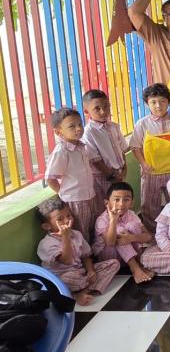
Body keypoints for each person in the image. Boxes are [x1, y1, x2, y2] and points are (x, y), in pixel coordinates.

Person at [36, 197, 119, 306]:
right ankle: (74, 296)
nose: (67, 221)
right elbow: (67, 261)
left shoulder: (76, 234)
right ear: (47, 226)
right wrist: (65, 237)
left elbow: (86, 256)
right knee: (66, 279)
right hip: (63, 277)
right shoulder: (47, 243)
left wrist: (91, 271)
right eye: (60, 219)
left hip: (80, 273)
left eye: (69, 215)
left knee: (113, 264)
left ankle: (84, 291)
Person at [130, 83, 170, 233]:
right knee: (149, 203)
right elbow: (135, 147)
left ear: (168, 102)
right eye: (153, 102)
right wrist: (143, 163)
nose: (158, 106)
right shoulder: (142, 124)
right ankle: (153, 232)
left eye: (162, 101)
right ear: (147, 103)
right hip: (151, 171)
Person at [45, 107, 97, 243]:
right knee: (81, 233)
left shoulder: (80, 146)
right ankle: (86, 255)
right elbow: (50, 178)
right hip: (75, 200)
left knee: (92, 228)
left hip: (89, 196)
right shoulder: (61, 152)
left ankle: (94, 253)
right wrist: (64, 194)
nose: (78, 128)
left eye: (80, 124)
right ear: (58, 132)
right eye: (72, 126)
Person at [92, 182, 154, 284]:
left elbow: (148, 237)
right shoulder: (102, 220)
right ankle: (135, 269)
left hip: (126, 256)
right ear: (107, 203)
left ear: (132, 203)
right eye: (116, 199)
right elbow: (110, 243)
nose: (121, 204)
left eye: (126, 200)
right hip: (110, 257)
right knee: (119, 231)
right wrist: (113, 220)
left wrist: (131, 238)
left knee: (132, 225)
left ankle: (139, 263)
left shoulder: (131, 214)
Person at [81, 89, 128, 208]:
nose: (103, 111)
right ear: (86, 111)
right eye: (97, 109)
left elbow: (121, 149)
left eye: (106, 106)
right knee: (108, 206)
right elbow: (95, 159)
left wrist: (124, 167)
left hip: (119, 173)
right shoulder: (89, 132)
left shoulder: (114, 126)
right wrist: (111, 176)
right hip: (103, 176)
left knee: (121, 204)